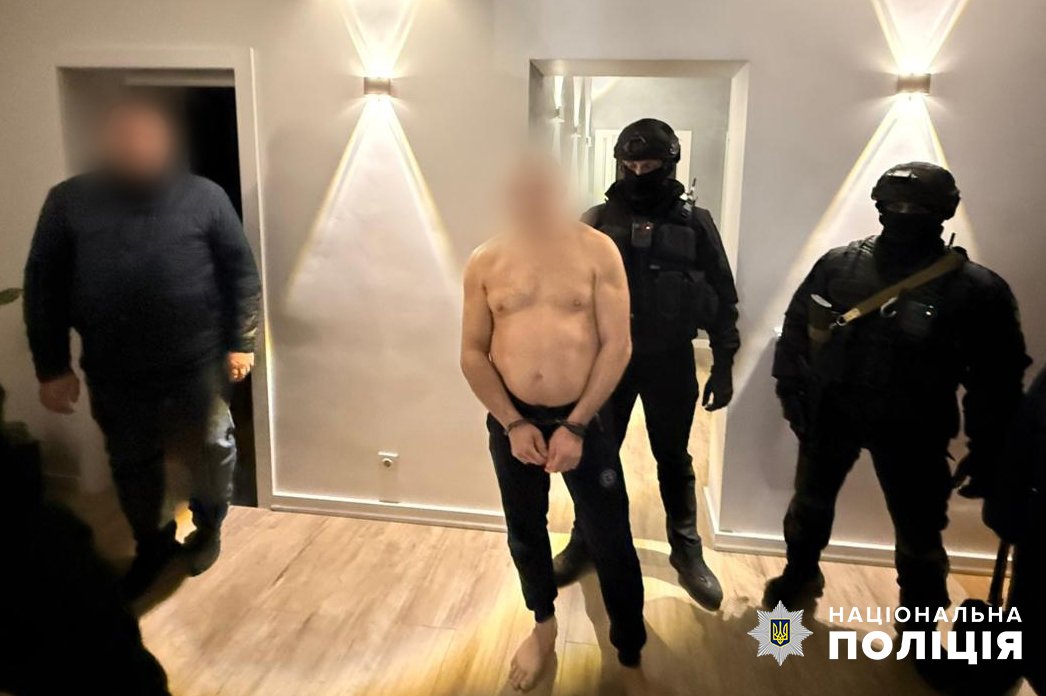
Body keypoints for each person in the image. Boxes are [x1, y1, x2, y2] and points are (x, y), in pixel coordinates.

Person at [765, 162, 1029, 628]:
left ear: (943, 211)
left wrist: (987, 451)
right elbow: (797, 330)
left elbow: (997, 380)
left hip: (914, 425)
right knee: (808, 508)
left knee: (919, 532)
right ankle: (799, 574)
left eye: (917, 207)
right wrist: (790, 392)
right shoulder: (838, 265)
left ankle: (919, 620)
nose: (905, 213)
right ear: (880, 206)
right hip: (834, 412)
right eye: (896, 204)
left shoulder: (975, 289)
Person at [23, 93, 261, 599]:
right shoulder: (68, 202)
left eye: (148, 134)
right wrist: (52, 367)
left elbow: (241, 273)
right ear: (109, 142)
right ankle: (152, 544)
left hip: (197, 366)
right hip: (115, 370)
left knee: (213, 450)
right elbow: (44, 287)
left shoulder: (205, 197)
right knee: (132, 462)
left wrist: (242, 341)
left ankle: (209, 527)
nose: (138, 144)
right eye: (126, 135)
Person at [461, 155, 646, 691]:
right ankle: (543, 626)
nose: (532, 199)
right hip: (513, 420)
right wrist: (513, 423)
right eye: (522, 190)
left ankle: (628, 646)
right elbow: (472, 352)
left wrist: (578, 425)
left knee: (610, 535)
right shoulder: (486, 261)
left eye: (541, 188)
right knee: (525, 529)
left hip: (585, 419)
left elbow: (618, 345)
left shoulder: (597, 251)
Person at [552, 119, 740, 610]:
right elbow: (566, 296)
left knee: (672, 457)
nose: (638, 172)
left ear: (669, 163)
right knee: (597, 458)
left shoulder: (695, 222)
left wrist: (723, 364)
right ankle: (585, 539)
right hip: (606, 365)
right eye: (631, 163)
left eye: (649, 163)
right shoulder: (595, 221)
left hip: (670, 359)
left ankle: (687, 550)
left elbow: (723, 295)